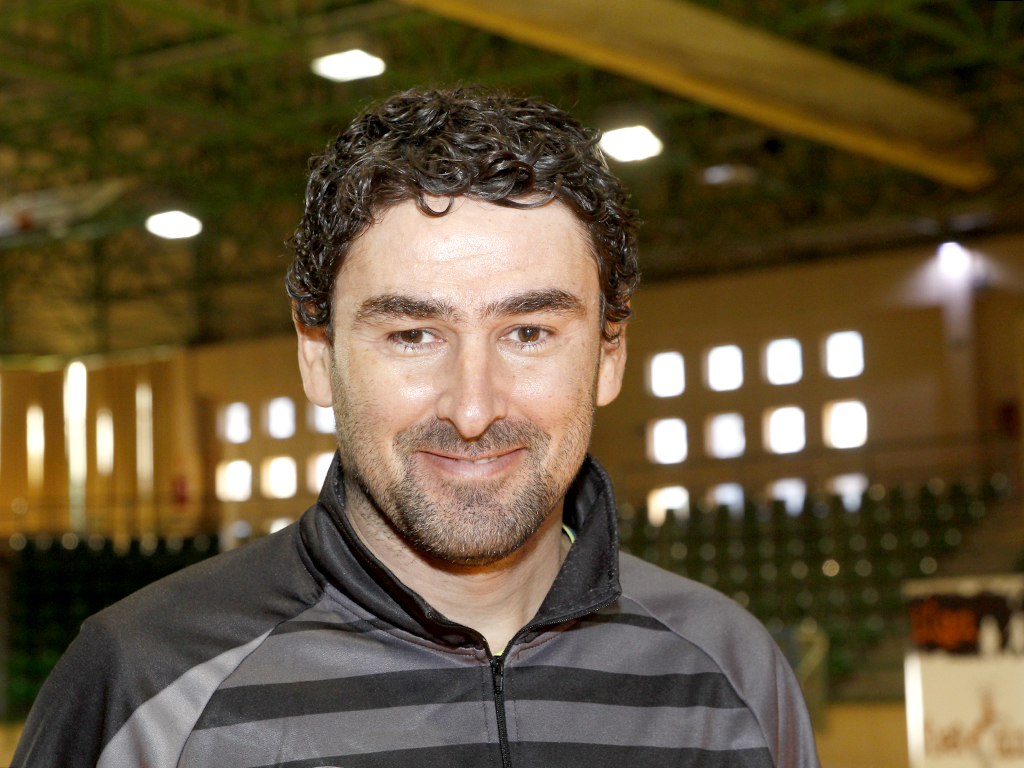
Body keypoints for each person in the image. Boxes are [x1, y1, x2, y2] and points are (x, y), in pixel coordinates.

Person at [14, 87, 820, 768]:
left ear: (609, 355)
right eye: (413, 335)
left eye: (528, 333)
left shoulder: (734, 671)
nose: (472, 409)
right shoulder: (144, 684)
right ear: (316, 356)